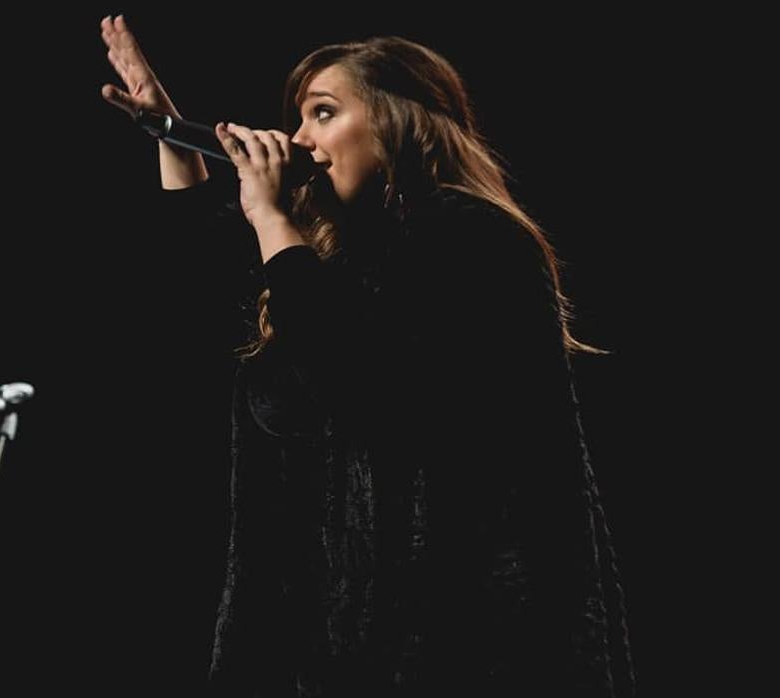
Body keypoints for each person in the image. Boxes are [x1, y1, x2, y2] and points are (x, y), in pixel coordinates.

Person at [99, 15, 635, 697]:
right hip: (320, 649)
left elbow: (352, 376)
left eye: (323, 113)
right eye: (298, 118)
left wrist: (271, 218)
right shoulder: (328, 259)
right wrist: (169, 132)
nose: (299, 140)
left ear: (397, 120)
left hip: (461, 645)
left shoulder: (476, 239)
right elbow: (197, 275)